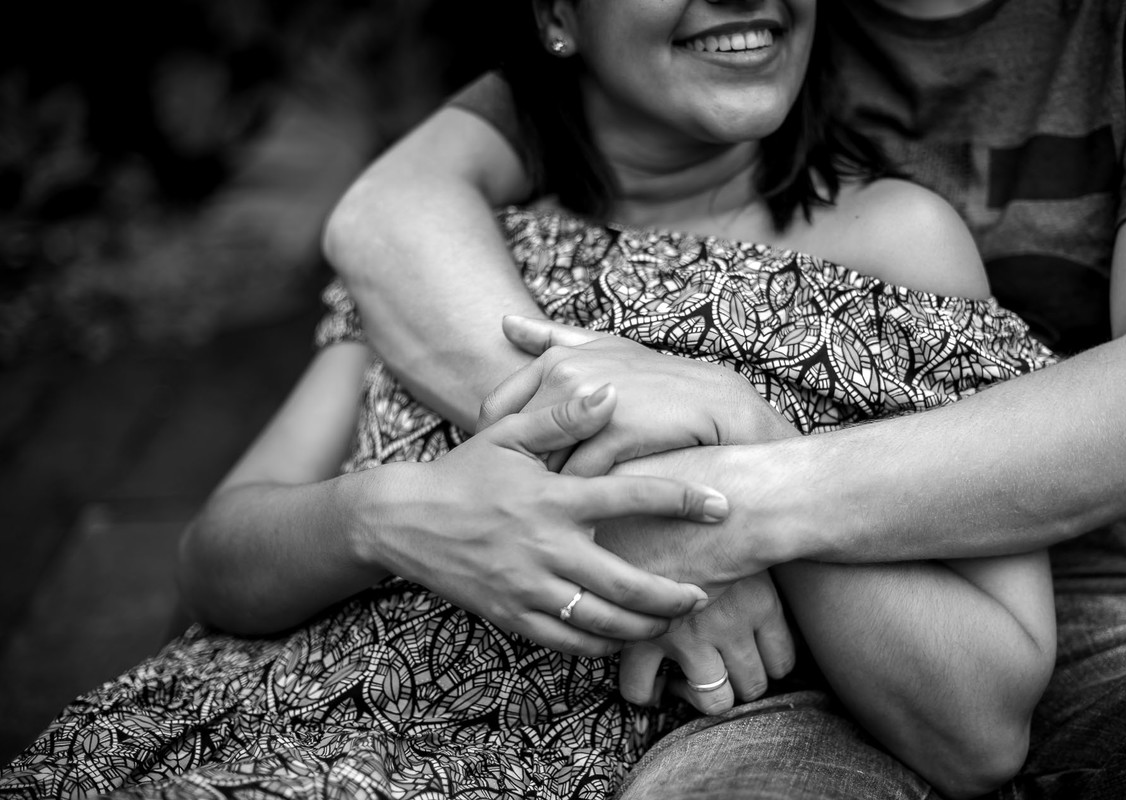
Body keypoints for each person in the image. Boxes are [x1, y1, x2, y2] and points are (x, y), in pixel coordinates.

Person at [0, 1, 1062, 798]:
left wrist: (744, 446)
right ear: (558, 12)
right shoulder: (460, 251)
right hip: (224, 735)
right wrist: (387, 515)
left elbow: (982, 724)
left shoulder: (893, 247)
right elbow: (211, 568)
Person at [321, 0, 1126, 797]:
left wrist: (719, 497)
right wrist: (574, 451)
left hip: (1065, 594)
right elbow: (392, 208)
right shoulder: (677, 61)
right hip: (795, 642)